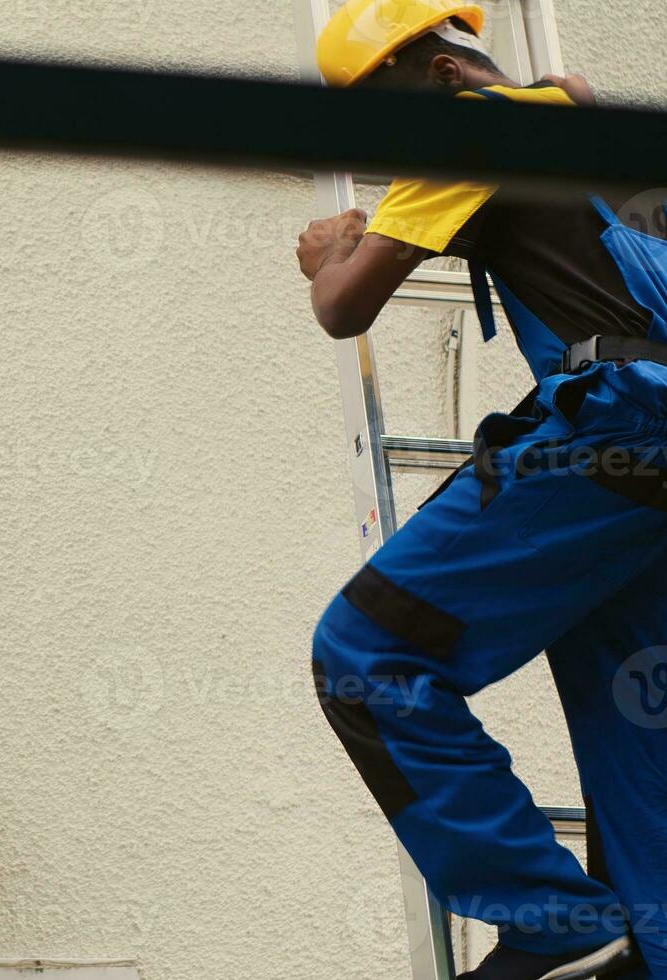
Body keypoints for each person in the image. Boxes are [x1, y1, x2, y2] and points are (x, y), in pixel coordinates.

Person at [298, 3, 667, 979]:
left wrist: (324, 255)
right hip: (650, 475)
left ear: (431, 75)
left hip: (621, 428)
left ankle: (550, 918)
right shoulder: (583, 117)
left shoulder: (469, 130)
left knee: (365, 649)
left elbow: (345, 307)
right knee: (635, 710)